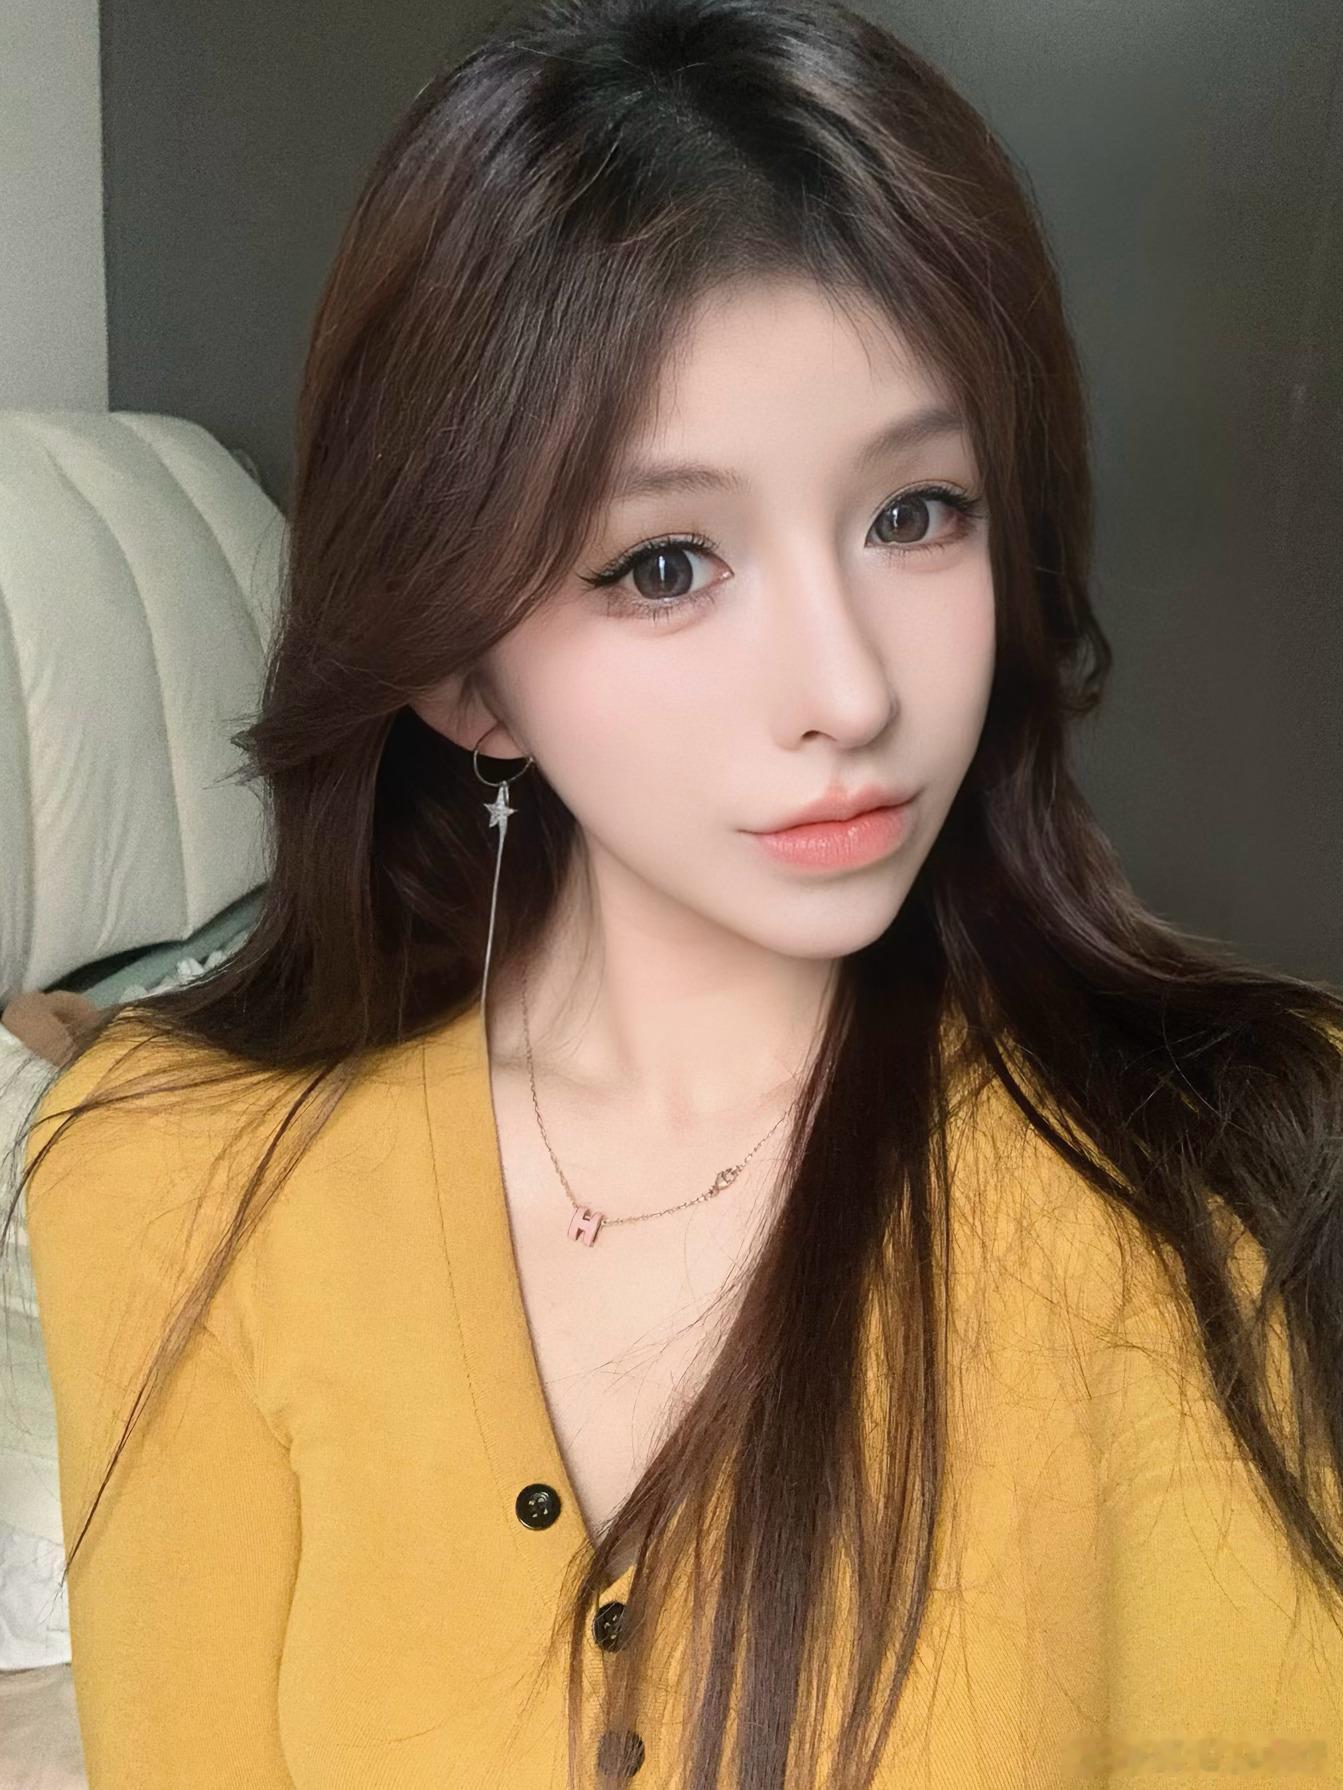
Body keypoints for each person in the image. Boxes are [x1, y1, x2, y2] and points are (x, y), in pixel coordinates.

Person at [7, 0, 1343, 1784]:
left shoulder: (1225, 1164)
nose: (850, 690)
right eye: (664, 563)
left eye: (916, 513)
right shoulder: (169, 1173)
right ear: (467, 676)